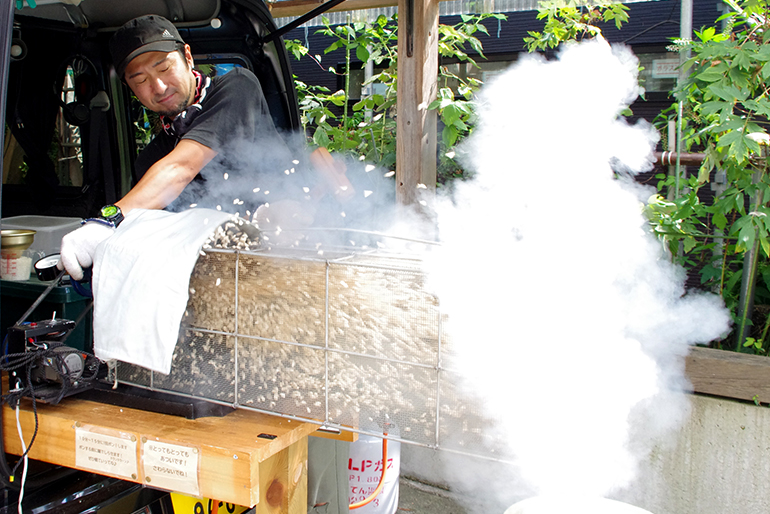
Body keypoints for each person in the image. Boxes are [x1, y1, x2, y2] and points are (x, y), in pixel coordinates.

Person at [59, 14, 303, 280]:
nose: (159, 86)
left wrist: (109, 220)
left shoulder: (237, 87)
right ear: (129, 87)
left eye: (164, 68)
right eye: (140, 81)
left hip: (285, 260)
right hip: (212, 278)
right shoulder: (151, 160)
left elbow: (182, 166)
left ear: (187, 57)